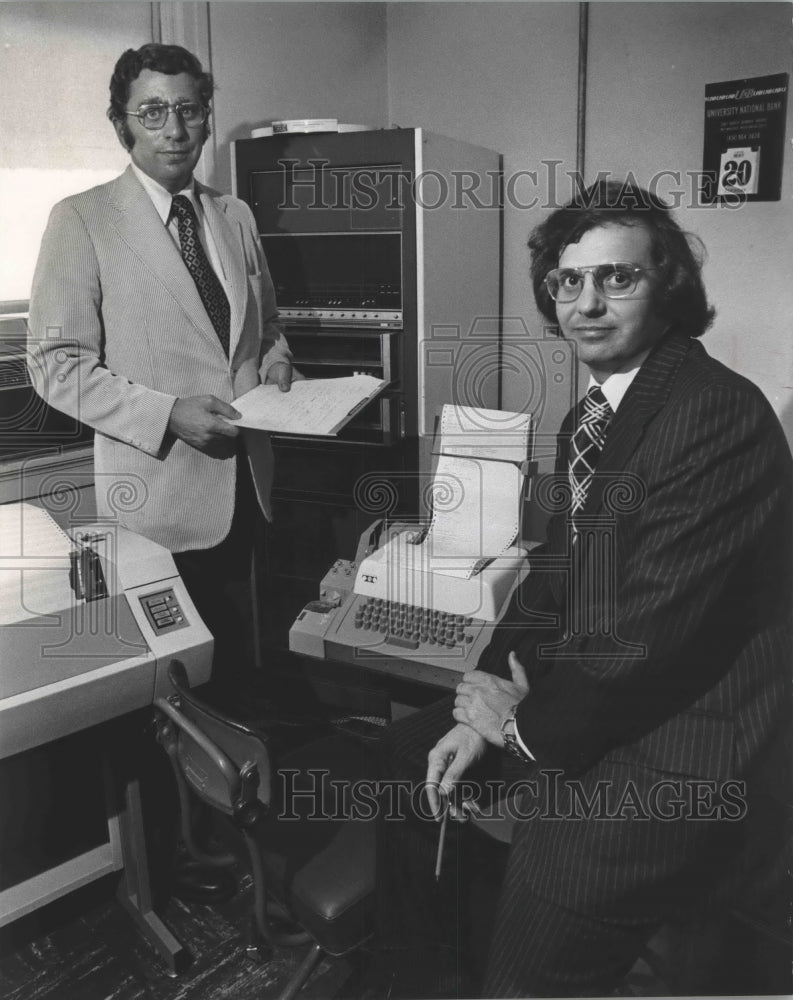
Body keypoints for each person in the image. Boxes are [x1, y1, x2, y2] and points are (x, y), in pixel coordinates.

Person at [373, 180, 792, 997]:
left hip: (684, 749)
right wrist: (479, 696)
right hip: (597, 698)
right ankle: (425, 978)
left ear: (667, 286)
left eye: (617, 278)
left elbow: (644, 635)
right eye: (568, 282)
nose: (587, 304)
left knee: (541, 911)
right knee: (404, 759)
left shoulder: (715, 416)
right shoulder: (589, 418)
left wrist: (519, 732)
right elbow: (552, 578)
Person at [27, 43, 295, 712]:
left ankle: (243, 804)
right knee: (178, 698)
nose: (174, 130)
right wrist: (168, 413)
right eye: (152, 112)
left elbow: (267, 325)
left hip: (247, 491)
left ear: (206, 115)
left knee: (238, 677)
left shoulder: (234, 216)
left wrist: (277, 358)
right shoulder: (82, 220)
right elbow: (55, 368)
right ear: (122, 123)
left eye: (187, 109)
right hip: (157, 504)